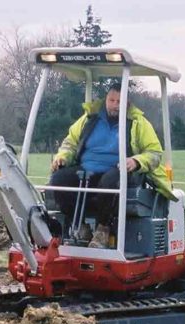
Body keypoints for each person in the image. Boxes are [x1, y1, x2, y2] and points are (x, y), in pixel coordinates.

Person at [50, 83, 176, 248]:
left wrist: (137, 161)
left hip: (120, 171)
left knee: (109, 182)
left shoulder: (138, 123)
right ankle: (81, 227)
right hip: (86, 171)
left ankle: (103, 230)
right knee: (59, 178)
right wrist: (62, 157)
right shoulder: (89, 119)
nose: (115, 105)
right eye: (112, 100)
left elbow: (154, 154)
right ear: (106, 100)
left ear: (127, 103)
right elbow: (70, 143)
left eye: (119, 101)